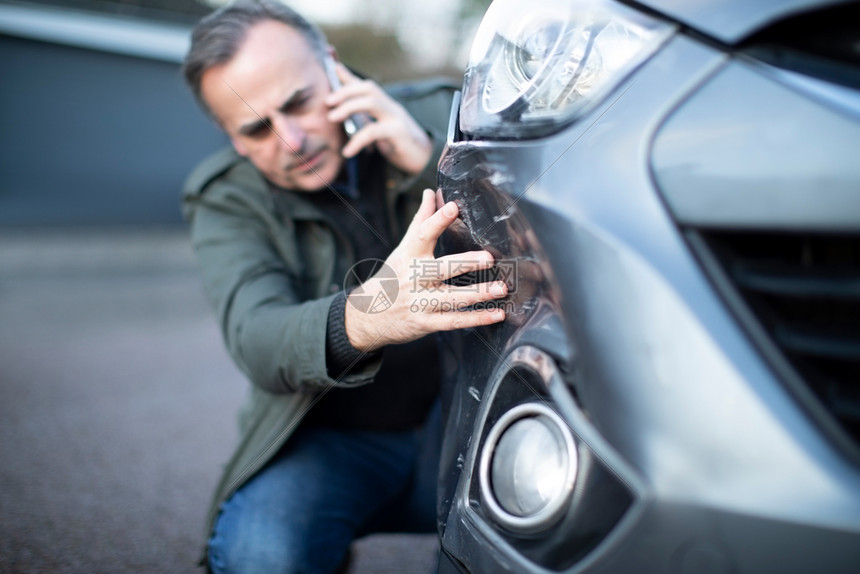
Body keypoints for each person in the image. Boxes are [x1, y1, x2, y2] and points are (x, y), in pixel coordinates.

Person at [180, 1, 508, 572]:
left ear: (333, 66)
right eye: (257, 128)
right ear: (229, 137)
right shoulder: (225, 197)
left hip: (472, 418)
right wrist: (374, 312)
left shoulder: (449, 115)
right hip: (333, 441)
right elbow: (257, 338)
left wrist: (429, 158)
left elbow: (542, 250)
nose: (291, 140)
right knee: (261, 556)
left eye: (299, 103)